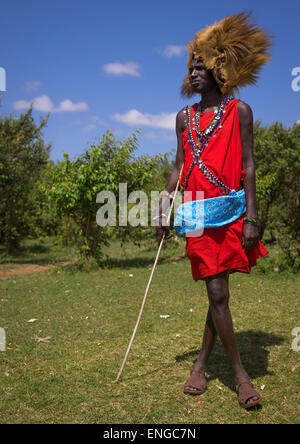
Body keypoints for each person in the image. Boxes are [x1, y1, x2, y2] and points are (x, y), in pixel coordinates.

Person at [155, 12, 271, 409]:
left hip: (234, 213)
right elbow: (177, 167)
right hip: (197, 217)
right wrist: (163, 204)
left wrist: (253, 216)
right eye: (191, 66)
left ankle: (202, 365)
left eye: (201, 66)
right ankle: (240, 376)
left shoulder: (240, 112)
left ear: (220, 71)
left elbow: (250, 165)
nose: (193, 72)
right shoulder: (184, 118)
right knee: (217, 290)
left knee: (217, 292)